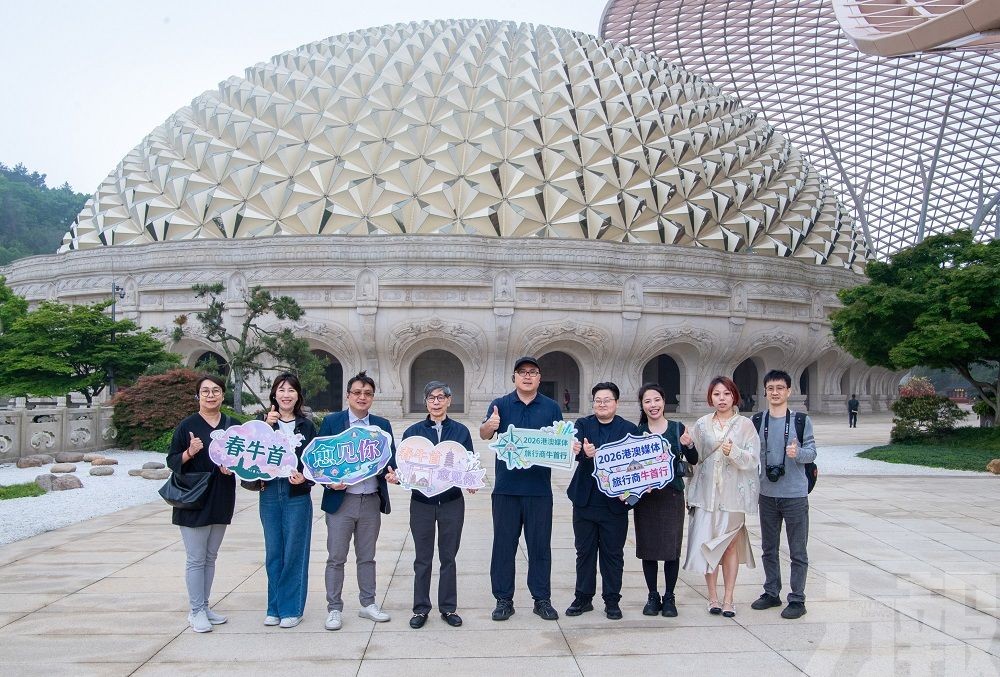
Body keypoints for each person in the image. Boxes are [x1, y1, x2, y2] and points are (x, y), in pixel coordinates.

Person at [480, 356, 564, 622]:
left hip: (539, 490)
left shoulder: (551, 407)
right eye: (522, 372)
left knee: (540, 547)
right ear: (514, 377)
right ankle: (503, 600)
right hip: (506, 489)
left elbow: (561, 443)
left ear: (539, 378)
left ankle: (542, 599)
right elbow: (484, 434)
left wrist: (568, 447)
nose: (527, 376)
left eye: (533, 372)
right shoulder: (500, 405)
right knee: (504, 546)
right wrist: (489, 426)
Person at [318, 371, 398, 631]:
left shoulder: (381, 425)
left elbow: (390, 459)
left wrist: (393, 473)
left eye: (367, 394)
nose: (362, 397)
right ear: (348, 396)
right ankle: (334, 608)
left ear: (372, 398)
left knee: (367, 556)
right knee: (336, 557)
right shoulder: (332, 422)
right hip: (341, 501)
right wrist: (329, 482)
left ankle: (368, 603)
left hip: (371, 499)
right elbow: (317, 461)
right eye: (357, 393)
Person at [242, 373, 317, 628]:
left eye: (291, 390)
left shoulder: (307, 426)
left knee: (295, 551)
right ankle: (273, 606)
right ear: (274, 394)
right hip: (270, 491)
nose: (286, 394)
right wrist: (266, 425)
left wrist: (305, 480)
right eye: (281, 390)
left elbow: (316, 463)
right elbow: (249, 457)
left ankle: (292, 608)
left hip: (297, 494)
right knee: (274, 551)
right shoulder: (261, 423)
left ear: (298, 395)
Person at [683, 376, 760, 619]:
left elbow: (753, 459)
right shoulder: (702, 424)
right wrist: (686, 445)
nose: (722, 398)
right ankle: (713, 597)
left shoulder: (745, 425)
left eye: (726, 394)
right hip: (706, 494)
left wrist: (734, 452)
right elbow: (694, 459)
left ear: (734, 396)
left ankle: (729, 598)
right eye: (717, 394)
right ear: (710, 397)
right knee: (708, 546)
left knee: (728, 547)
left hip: (732, 496)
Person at [403, 381, 477, 629]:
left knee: (449, 556)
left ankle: (448, 608)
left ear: (449, 400)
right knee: (422, 558)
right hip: (421, 503)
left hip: (452, 502)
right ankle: (420, 609)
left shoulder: (460, 431)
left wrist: (471, 480)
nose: (436, 401)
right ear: (425, 402)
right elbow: (403, 466)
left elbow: (469, 463)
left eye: (441, 397)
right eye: (431, 397)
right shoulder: (412, 432)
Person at [165, 374, 236, 633]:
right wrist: (190, 452)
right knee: (196, 558)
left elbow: (244, 459)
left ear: (222, 394)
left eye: (215, 390)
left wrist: (233, 469)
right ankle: (195, 611)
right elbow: (172, 461)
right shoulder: (187, 425)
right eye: (205, 391)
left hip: (222, 496)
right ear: (198, 396)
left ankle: (205, 606)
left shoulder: (232, 425)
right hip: (193, 499)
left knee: (210, 556)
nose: (210, 395)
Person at [566, 382, 636, 620]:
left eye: (607, 400)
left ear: (616, 402)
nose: (602, 404)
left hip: (615, 504)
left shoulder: (629, 429)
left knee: (612, 554)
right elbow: (572, 452)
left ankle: (612, 600)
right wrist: (582, 452)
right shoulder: (583, 425)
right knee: (584, 552)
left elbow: (637, 465)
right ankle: (583, 598)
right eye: (598, 400)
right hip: (585, 500)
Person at [750, 370, 817, 620]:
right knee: (769, 547)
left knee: (798, 550)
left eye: (780, 388)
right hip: (767, 493)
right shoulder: (757, 421)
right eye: (770, 388)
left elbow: (812, 453)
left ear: (789, 391)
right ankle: (771, 591)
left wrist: (797, 453)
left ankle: (797, 598)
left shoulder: (801, 420)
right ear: (765, 391)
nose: (775, 392)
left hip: (795, 495)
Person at [632, 383, 698, 618]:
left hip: (671, 495)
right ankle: (652, 595)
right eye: (647, 401)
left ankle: (669, 596)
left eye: (657, 400)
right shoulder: (638, 432)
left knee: (671, 549)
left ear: (663, 401)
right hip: (646, 499)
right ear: (642, 405)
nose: (653, 405)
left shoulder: (677, 428)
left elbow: (693, 458)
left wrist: (689, 443)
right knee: (648, 548)